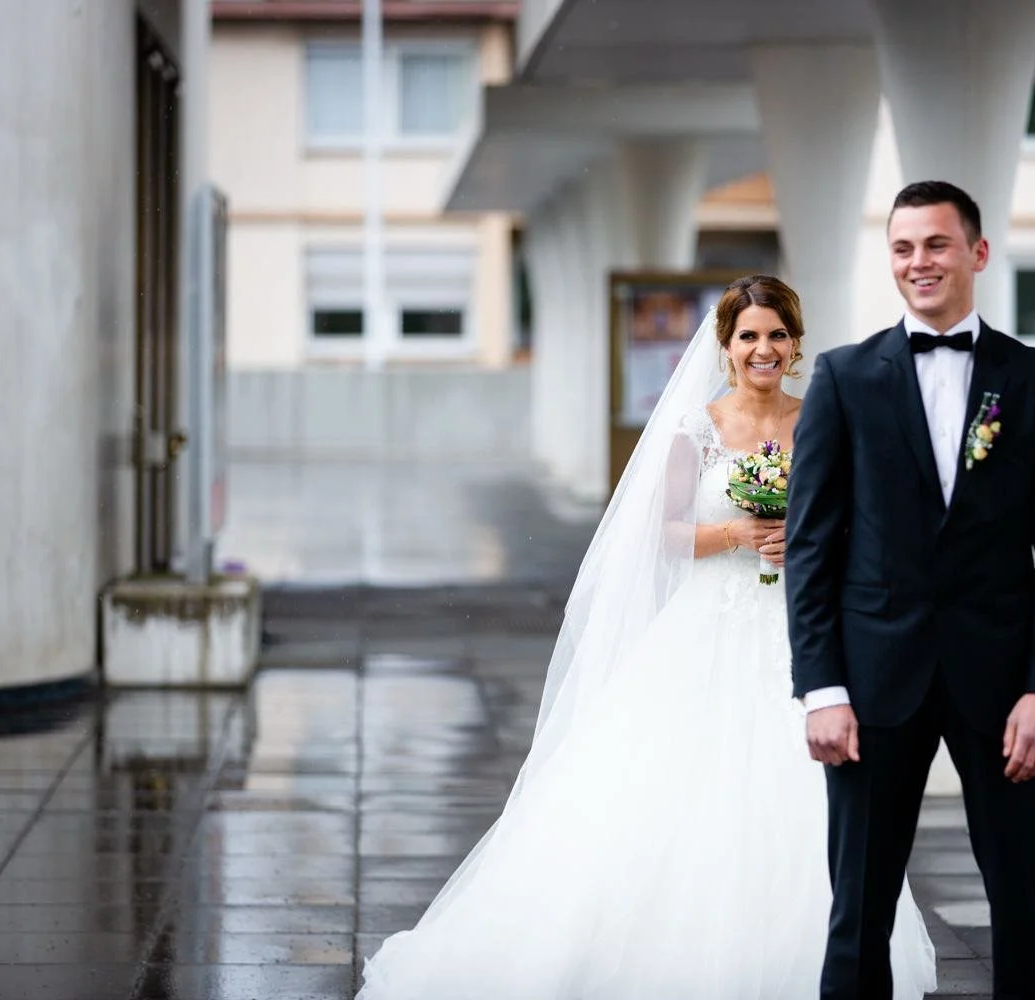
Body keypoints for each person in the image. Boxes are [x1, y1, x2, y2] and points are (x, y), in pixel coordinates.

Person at [357, 274, 936, 999]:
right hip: (707, 628)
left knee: (811, 795)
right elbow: (662, 535)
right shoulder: (697, 428)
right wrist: (736, 532)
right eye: (748, 335)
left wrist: (813, 540)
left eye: (776, 334)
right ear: (725, 346)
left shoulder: (824, 417)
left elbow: (858, 520)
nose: (763, 348)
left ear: (795, 344)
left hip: (801, 631)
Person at [786, 181, 1035, 1000]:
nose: (918, 262)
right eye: (902, 247)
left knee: (1025, 902)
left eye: (935, 244)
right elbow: (812, 548)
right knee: (858, 907)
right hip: (872, 683)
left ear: (977, 253)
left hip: (1002, 689)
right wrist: (821, 687)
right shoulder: (844, 379)